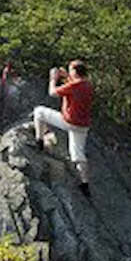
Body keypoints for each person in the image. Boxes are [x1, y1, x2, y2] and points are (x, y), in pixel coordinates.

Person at [33, 59, 95, 197]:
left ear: (75, 72)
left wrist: (53, 79)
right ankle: (85, 184)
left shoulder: (75, 85)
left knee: (39, 112)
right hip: (82, 126)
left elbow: (53, 93)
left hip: (69, 122)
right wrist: (66, 76)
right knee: (78, 155)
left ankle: (39, 141)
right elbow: (74, 86)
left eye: (70, 70)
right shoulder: (88, 85)